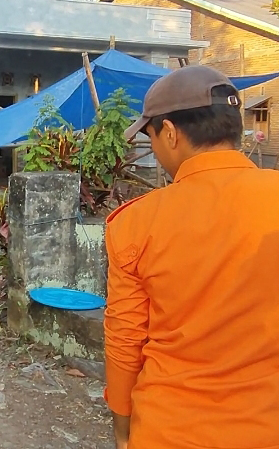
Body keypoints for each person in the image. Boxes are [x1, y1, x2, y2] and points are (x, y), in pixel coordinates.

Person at [104, 65, 279, 449]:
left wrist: (122, 427)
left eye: (150, 137)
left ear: (169, 132)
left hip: (171, 430)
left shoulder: (135, 224)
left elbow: (125, 340)